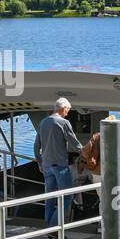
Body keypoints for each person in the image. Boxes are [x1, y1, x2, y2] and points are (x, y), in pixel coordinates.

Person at [34, 97, 83, 228]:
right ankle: (53, 227)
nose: (68, 112)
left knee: (50, 198)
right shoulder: (63, 122)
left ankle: (48, 227)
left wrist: (40, 163)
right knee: (67, 196)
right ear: (63, 108)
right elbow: (74, 144)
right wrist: (86, 153)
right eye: (68, 109)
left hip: (46, 166)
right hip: (60, 166)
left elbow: (36, 146)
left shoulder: (43, 122)